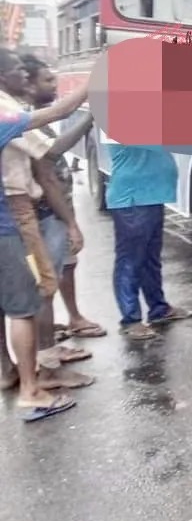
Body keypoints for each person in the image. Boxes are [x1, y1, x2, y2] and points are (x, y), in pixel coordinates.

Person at [0, 49, 95, 391]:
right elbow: (49, 160)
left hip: (15, 209)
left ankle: (8, 370)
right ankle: (43, 373)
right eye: (19, 73)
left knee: (11, 297)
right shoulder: (8, 111)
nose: (24, 77)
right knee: (36, 294)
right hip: (19, 210)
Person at [20, 54, 107, 341]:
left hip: (55, 209)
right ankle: (46, 351)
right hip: (47, 211)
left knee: (65, 266)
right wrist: (89, 117)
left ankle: (67, 321)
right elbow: (51, 158)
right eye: (47, 80)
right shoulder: (22, 119)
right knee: (47, 280)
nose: (55, 84)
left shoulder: (29, 116)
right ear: (28, 85)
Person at [105, 139, 192, 339]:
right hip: (134, 198)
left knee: (149, 259)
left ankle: (158, 308)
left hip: (151, 196)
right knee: (130, 261)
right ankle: (130, 319)